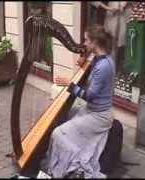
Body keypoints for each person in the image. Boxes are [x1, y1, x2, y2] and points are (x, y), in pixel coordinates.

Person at [40, 25, 116, 178]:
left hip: (99, 116)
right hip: (91, 110)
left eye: (87, 40)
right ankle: (66, 163)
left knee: (58, 133)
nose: (84, 44)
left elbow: (90, 96)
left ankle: (62, 169)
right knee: (64, 120)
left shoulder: (104, 66)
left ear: (95, 42)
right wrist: (83, 59)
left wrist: (69, 84)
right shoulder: (100, 58)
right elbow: (90, 60)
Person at [90, 1, 133, 74]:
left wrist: (125, 4)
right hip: (111, 17)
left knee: (123, 47)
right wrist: (107, 8)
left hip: (126, 18)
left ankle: (118, 73)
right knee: (109, 46)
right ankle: (107, 71)